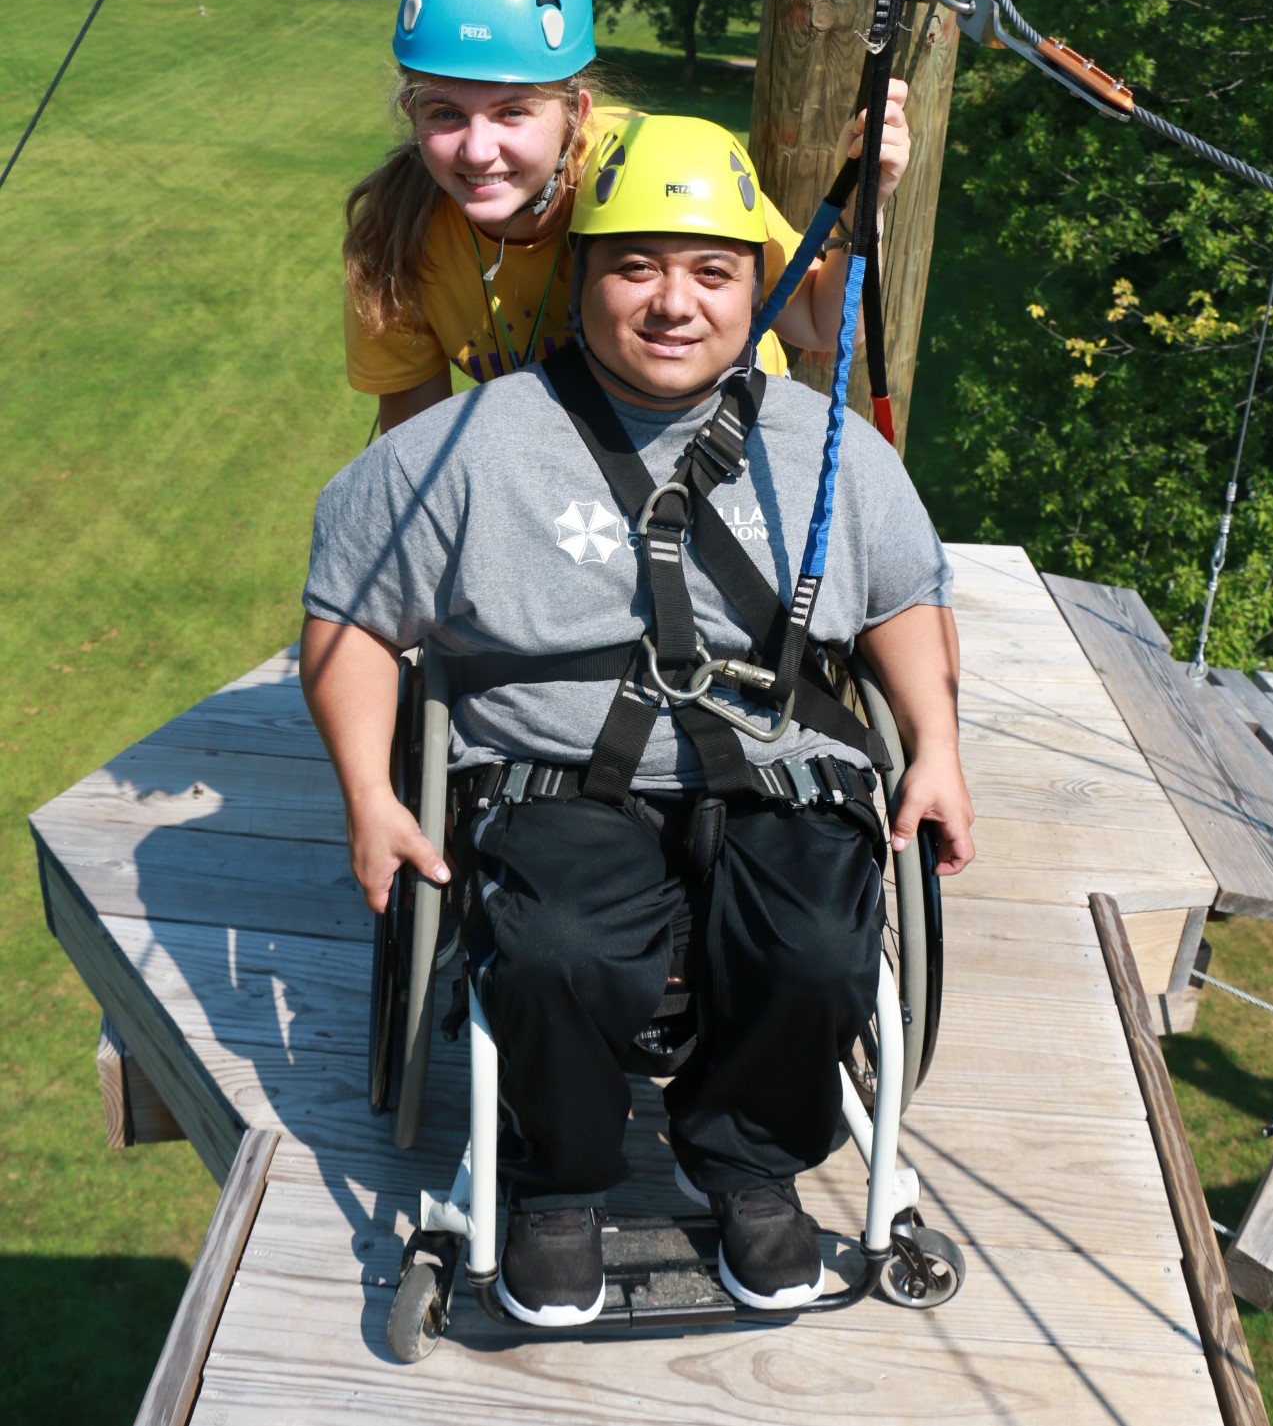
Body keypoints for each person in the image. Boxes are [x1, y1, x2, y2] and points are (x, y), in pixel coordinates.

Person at [302, 114, 973, 1329]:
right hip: (558, 768)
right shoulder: (474, 443)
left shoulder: (818, 448)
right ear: (583, 279)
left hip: (773, 761)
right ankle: (555, 1186)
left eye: (712, 271)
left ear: (754, 287)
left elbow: (905, 596)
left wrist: (934, 747)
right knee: (561, 947)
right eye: (635, 267)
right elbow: (349, 615)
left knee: (818, 944)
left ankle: (749, 1164)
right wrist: (371, 794)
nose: (673, 303)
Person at [342, 0, 912, 434]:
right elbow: (414, 452)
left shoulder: (655, 167)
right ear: (409, 112)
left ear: (576, 113)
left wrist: (867, 201)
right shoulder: (394, 240)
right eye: (445, 113)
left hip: (726, 447)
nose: (476, 150)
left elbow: (820, 320)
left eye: (512, 111)